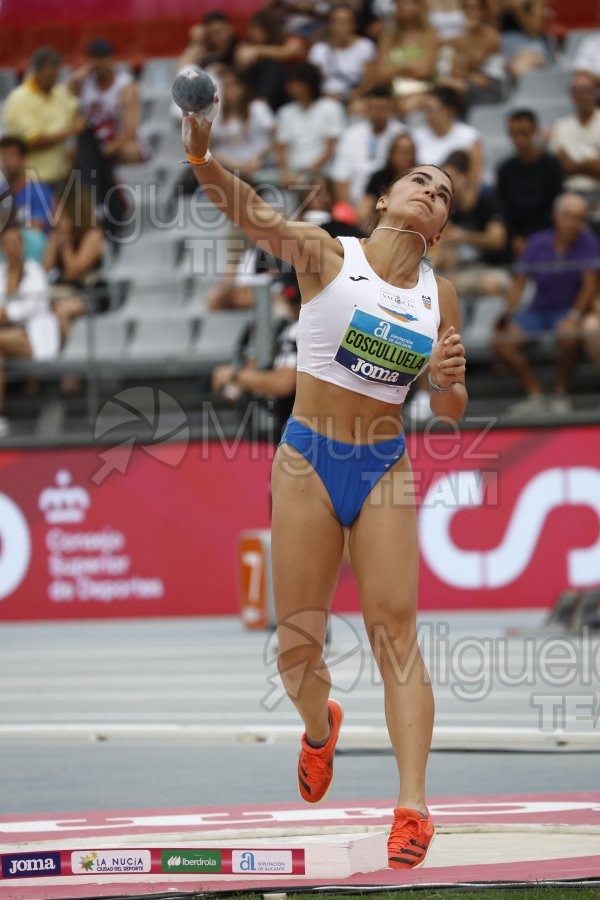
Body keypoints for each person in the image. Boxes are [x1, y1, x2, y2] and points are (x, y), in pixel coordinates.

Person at [182, 88, 467, 869]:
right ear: (385, 198)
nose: (431, 191)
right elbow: (250, 215)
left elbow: (450, 405)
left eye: (443, 193)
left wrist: (447, 380)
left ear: (440, 229)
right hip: (308, 459)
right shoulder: (327, 254)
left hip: (383, 464)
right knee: (297, 651)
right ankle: (319, 728)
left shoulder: (440, 295)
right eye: (421, 180)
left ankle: (411, 806)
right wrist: (202, 157)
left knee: (396, 637)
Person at [491, 193, 599, 416]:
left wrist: (573, 316)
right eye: (569, 217)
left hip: (568, 309)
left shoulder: (588, 241)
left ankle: (561, 392)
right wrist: (506, 315)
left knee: (568, 336)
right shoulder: (537, 242)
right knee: (501, 340)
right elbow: (519, 284)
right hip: (538, 311)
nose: (574, 223)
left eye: (579, 218)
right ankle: (535, 392)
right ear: (556, 217)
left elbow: (590, 286)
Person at [0, 225, 60, 435]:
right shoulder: (0, 272)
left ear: (22, 245)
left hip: (31, 337)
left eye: (15, 243)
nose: (12, 248)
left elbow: (31, 306)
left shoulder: (34, 271)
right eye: (7, 244)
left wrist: (5, 315)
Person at [3, 47, 83, 190]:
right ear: (37, 71)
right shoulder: (19, 99)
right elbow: (34, 141)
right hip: (32, 181)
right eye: (49, 73)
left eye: (56, 74)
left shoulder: (60, 94)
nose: (53, 78)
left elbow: (78, 117)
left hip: (61, 177)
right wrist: (70, 132)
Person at [433, 149, 509, 297]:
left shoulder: (488, 199)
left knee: (492, 283)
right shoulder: (447, 206)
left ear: (466, 176)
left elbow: (497, 240)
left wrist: (463, 236)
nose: (448, 184)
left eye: (452, 178)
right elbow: (448, 249)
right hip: (461, 270)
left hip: (490, 268)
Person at [68, 38, 149, 165]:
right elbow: (63, 93)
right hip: (93, 144)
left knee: (130, 151)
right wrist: (84, 71)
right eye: (94, 59)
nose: (98, 64)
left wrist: (104, 152)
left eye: (102, 58)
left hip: (118, 144)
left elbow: (130, 132)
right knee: (68, 155)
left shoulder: (125, 87)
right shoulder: (85, 84)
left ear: (111, 59)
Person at [43, 185, 107, 343]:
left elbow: (74, 271)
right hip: (63, 291)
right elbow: (45, 269)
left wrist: (65, 242)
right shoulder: (58, 234)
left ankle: (69, 360)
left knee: (62, 310)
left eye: (56, 207)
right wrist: (55, 239)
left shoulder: (93, 235)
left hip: (90, 293)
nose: (52, 212)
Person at [496, 108, 563, 259]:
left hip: (546, 232)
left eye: (524, 132)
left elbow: (552, 207)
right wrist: (515, 236)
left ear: (535, 132)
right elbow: (504, 208)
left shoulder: (553, 166)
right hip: (513, 237)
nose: (518, 138)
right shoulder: (504, 169)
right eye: (513, 133)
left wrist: (529, 237)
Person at [330, 86, 405, 209]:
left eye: (381, 108)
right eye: (372, 108)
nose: (377, 113)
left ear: (390, 108)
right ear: (365, 108)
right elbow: (340, 178)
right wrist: (350, 216)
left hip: (391, 203)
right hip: (354, 206)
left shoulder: (402, 135)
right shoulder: (350, 135)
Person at [275, 62, 346, 187]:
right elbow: (281, 149)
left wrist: (305, 174)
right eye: (289, 83)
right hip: (293, 173)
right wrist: (285, 174)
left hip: (322, 172)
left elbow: (330, 150)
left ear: (308, 84)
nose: (290, 87)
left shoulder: (331, 107)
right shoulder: (285, 112)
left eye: (295, 83)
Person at [362, 0, 438, 113]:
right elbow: (382, 75)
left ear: (419, 7)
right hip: (391, 92)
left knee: (410, 105)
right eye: (400, 4)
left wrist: (396, 67)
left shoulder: (430, 36)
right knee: (361, 107)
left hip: (424, 91)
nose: (404, 7)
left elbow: (425, 71)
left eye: (409, 3)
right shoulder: (387, 38)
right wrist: (408, 66)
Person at [209, 68, 275, 179]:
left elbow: (276, 139)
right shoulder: (214, 114)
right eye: (226, 86)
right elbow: (207, 150)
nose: (230, 90)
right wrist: (232, 165)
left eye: (235, 85)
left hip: (260, 167)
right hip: (226, 169)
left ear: (244, 87)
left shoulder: (258, 108)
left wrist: (260, 160)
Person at [234, 8, 305, 112]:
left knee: (273, 65)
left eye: (255, 28)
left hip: (284, 93)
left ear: (267, 28)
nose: (251, 32)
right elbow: (241, 60)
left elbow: (288, 52)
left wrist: (257, 51)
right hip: (255, 91)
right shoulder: (249, 46)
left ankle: (261, 104)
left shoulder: (287, 40)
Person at [439, 0, 505, 109]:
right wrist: (471, 76)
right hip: (470, 80)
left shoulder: (492, 35)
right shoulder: (461, 38)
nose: (470, 12)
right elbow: (455, 71)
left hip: (490, 84)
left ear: (484, 11)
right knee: (444, 85)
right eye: (466, 8)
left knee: (454, 88)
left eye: (475, 8)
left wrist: (462, 41)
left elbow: (474, 62)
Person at [308, 3, 377, 106]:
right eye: (335, 22)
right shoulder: (319, 49)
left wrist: (354, 95)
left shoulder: (365, 46)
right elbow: (314, 82)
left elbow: (371, 79)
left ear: (353, 24)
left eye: (344, 22)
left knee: (358, 107)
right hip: (327, 97)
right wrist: (325, 95)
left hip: (357, 96)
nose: (339, 27)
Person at [549, 70, 600, 209]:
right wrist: (591, 163)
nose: (583, 96)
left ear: (596, 93)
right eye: (578, 91)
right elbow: (559, 167)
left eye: (587, 91)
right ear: (572, 95)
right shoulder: (560, 126)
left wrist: (573, 165)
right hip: (568, 194)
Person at [412, 86, 484, 183]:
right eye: (425, 110)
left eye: (431, 110)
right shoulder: (415, 136)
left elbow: (474, 179)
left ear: (449, 111)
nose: (427, 115)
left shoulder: (470, 137)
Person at [357, 131, 417, 229]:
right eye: (401, 151)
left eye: (408, 152)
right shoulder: (378, 177)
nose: (404, 156)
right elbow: (364, 210)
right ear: (391, 153)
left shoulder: (419, 180)